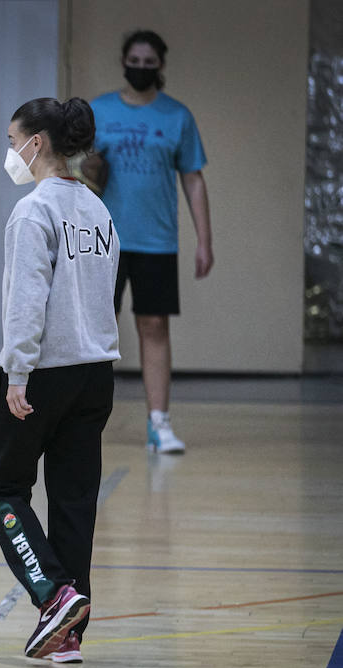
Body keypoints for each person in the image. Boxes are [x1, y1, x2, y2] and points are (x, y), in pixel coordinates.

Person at [0, 98, 120, 664]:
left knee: (2, 487)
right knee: (73, 501)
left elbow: (26, 301)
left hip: (42, 373)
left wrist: (17, 371)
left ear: (37, 142)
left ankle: (51, 593)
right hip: (95, 374)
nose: (11, 152)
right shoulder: (98, 210)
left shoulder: (34, 211)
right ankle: (66, 636)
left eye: (13, 141)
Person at [83, 30, 211, 453]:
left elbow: (193, 180)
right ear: (123, 61)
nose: (140, 67)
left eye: (148, 61)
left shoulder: (177, 116)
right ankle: (82, 422)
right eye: (133, 60)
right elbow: (77, 174)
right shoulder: (99, 111)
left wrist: (204, 241)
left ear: (161, 65)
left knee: (154, 326)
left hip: (157, 241)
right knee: (98, 331)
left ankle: (159, 423)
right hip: (104, 238)